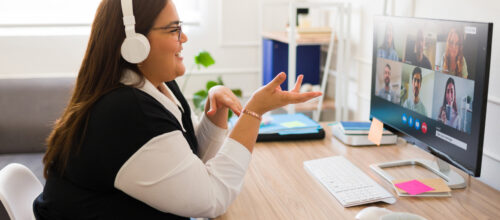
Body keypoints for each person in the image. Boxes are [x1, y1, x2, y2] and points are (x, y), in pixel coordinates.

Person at [32, 0, 321, 219]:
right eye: (174, 30)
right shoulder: (128, 112)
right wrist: (254, 112)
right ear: (135, 43)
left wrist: (215, 117)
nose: (184, 39)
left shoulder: (154, 86)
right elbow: (212, 198)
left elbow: (185, 163)